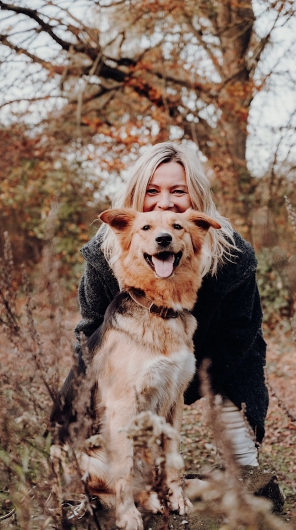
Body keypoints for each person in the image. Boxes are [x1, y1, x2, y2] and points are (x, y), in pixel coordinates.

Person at [73, 142, 269, 470]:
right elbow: (91, 330)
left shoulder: (233, 254)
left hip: (221, 360)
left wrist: (179, 378)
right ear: (136, 193)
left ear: (196, 195)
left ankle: (245, 469)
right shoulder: (103, 252)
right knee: (97, 457)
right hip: (133, 362)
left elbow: (241, 332)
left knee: (244, 464)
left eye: (178, 190)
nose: (165, 201)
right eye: (152, 190)